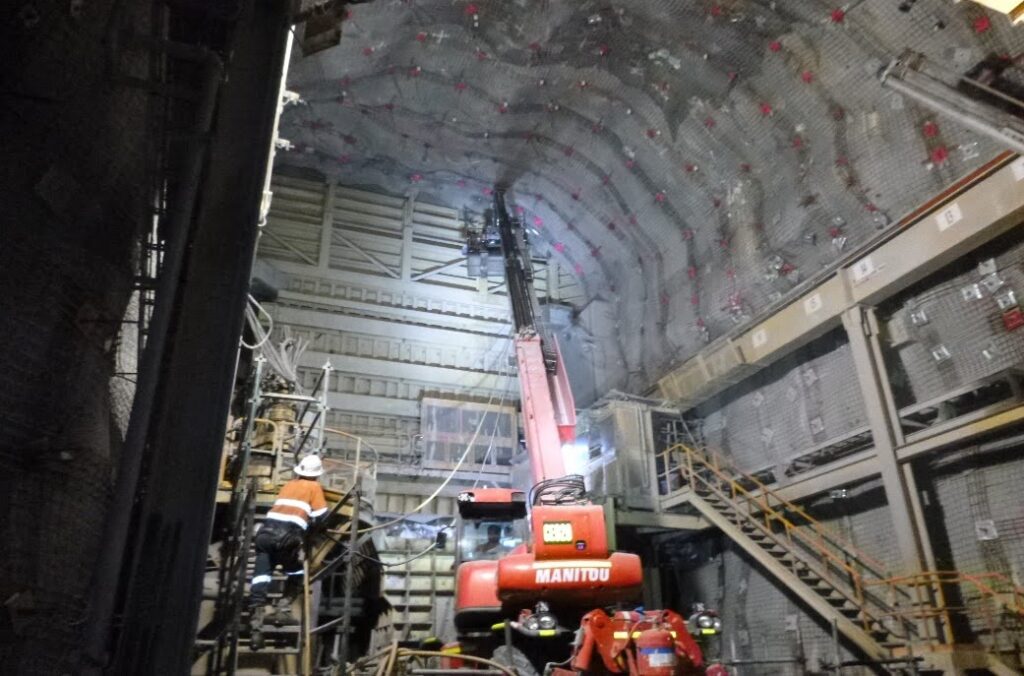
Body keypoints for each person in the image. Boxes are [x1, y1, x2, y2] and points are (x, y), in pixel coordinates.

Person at [247, 454, 328, 646]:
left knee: (260, 581)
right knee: (297, 573)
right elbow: (322, 515)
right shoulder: (314, 487)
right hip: (286, 540)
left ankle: (255, 633)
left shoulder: (289, 485)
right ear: (316, 475)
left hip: (264, 536)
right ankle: (282, 611)